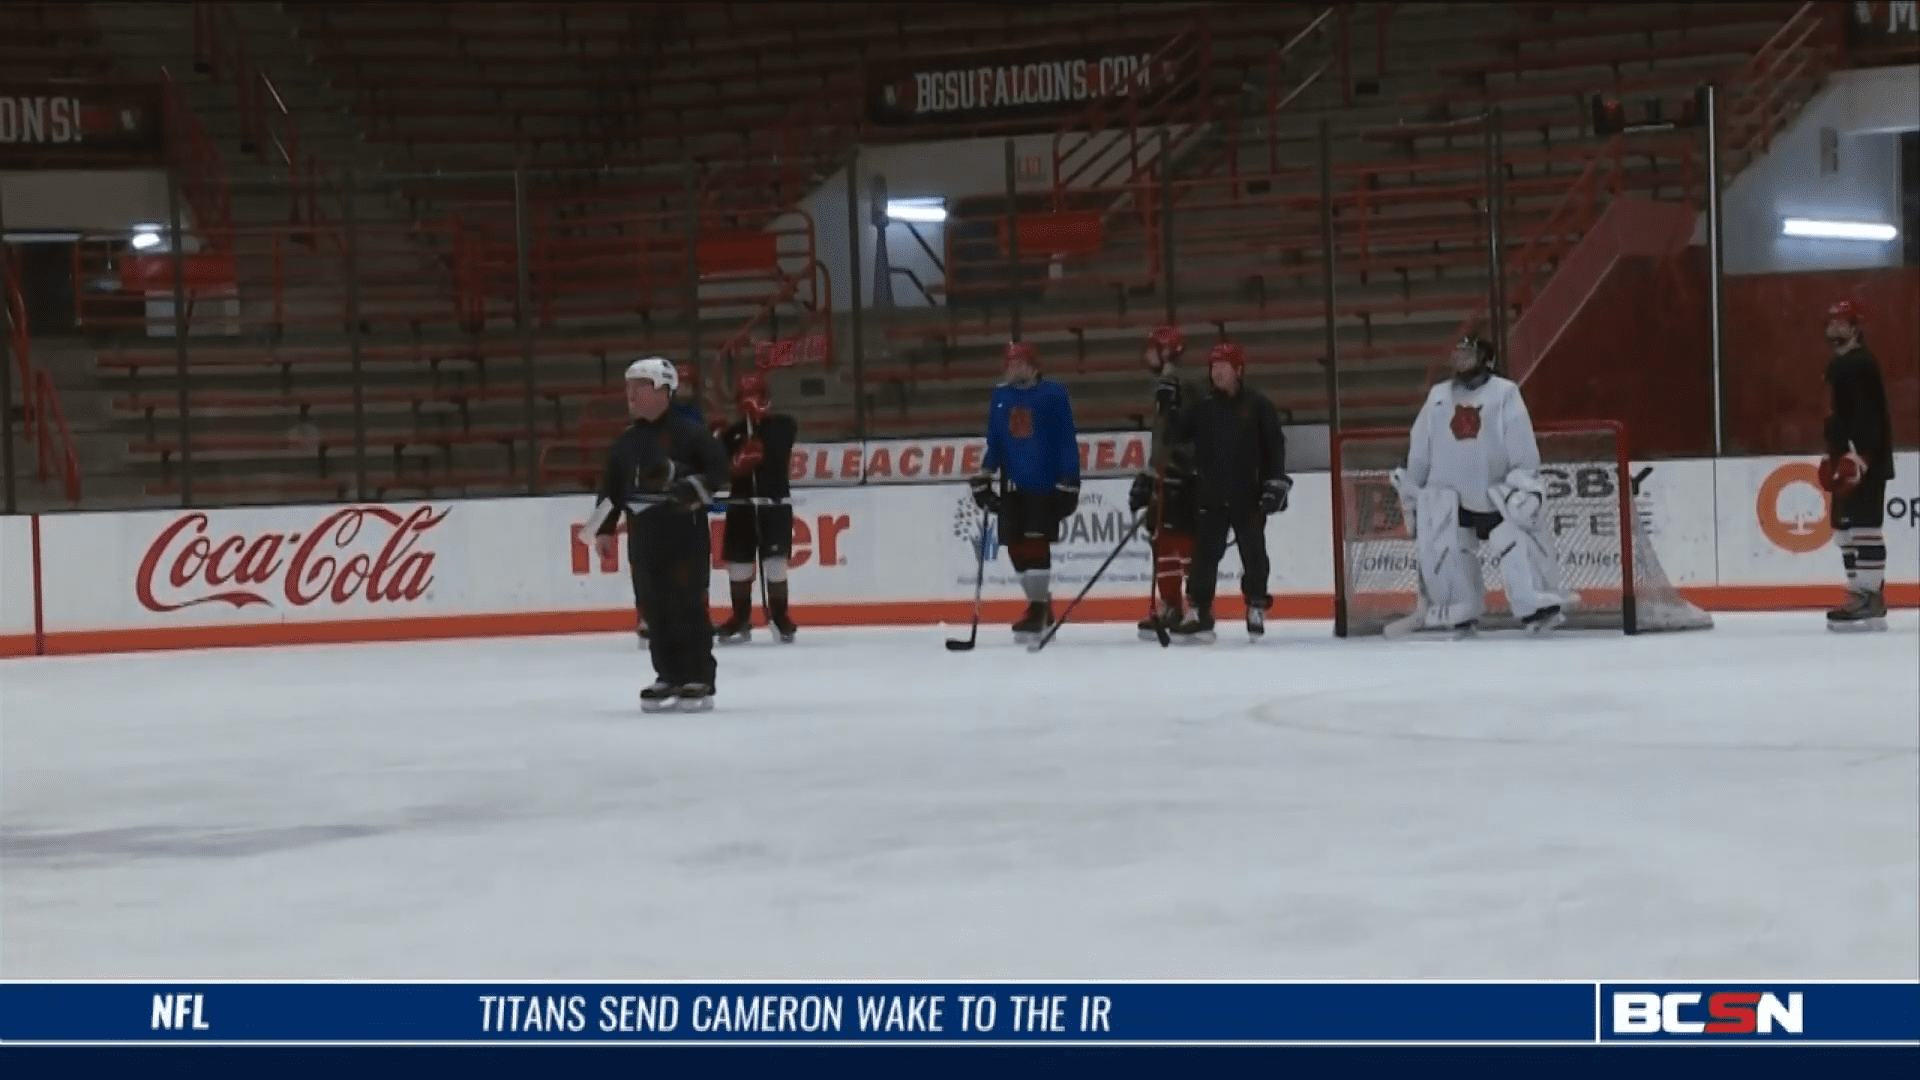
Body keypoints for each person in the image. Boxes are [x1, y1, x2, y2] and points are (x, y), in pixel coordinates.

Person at [1388, 336, 1565, 638]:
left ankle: (1534, 605)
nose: (1461, 360)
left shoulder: (1504, 393)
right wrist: (1413, 483)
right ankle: (1460, 609)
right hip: (1449, 497)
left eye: (1469, 354)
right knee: (1449, 554)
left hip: (1495, 494)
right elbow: (1421, 446)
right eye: (1458, 354)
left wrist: (1525, 479)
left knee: (1516, 546)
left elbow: (1521, 441)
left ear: (1486, 358)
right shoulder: (1438, 396)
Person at [585, 357, 730, 711]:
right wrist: (603, 529)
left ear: (665, 390)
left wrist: (691, 489)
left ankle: (698, 676)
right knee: (653, 605)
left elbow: (718, 470)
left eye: (640, 386)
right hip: (643, 534)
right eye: (628, 386)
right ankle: (667, 674)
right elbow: (611, 488)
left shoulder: (690, 433)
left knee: (688, 603)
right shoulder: (625, 442)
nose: (630, 394)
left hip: (683, 531)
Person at [1164, 340, 1289, 643]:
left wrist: (1275, 484)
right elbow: (1176, 435)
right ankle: (1200, 611)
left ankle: (1256, 604)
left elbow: (1275, 447)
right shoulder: (1203, 407)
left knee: (1254, 552)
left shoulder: (1259, 405)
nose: (1216, 373)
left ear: (1238, 370)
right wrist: (1168, 408)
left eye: (1223, 367)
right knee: (1205, 556)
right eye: (1213, 367)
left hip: (1249, 495)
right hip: (1210, 494)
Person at [969, 341, 1081, 643]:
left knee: (1035, 546)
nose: (1014, 367)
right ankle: (1037, 606)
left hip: (1044, 484)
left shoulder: (1053, 394)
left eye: (1019, 362)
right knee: (1015, 547)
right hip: (1012, 486)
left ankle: (1039, 608)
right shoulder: (1000, 395)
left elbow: (1065, 438)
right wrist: (984, 474)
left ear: (1033, 364)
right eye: (1010, 361)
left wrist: (1070, 480)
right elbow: (996, 440)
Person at [1817, 299, 1894, 632]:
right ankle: (1858, 594)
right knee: (1844, 532)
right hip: (1844, 458)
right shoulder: (1839, 365)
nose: (1835, 327)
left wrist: (1860, 457)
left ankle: (1870, 597)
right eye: (1831, 322)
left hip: (1864, 460)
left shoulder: (1860, 364)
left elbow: (1869, 417)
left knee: (1864, 529)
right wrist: (1831, 454)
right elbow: (1837, 415)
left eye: (1842, 322)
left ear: (1855, 327)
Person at [714, 370, 801, 644]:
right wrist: (731, 459)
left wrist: (760, 428)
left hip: (773, 505)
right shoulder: (733, 433)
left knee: (776, 564)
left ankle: (779, 615)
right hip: (741, 505)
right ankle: (740, 617)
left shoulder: (784, 425)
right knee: (738, 565)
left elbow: (776, 452)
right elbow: (720, 470)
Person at [1130, 325, 1201, 641]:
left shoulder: (1188, 386)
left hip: (1186, 478)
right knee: (1161, 540)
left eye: (1152, 348)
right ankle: (1171, 604)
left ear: (1167, 350)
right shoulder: (1163, 385)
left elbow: (1188, 434)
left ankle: (1197, 605)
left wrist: (1178, 466)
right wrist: (1148, 473)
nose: (1146, 355)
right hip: (1165, 474)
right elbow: (1160, 437)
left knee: (1184, 541)